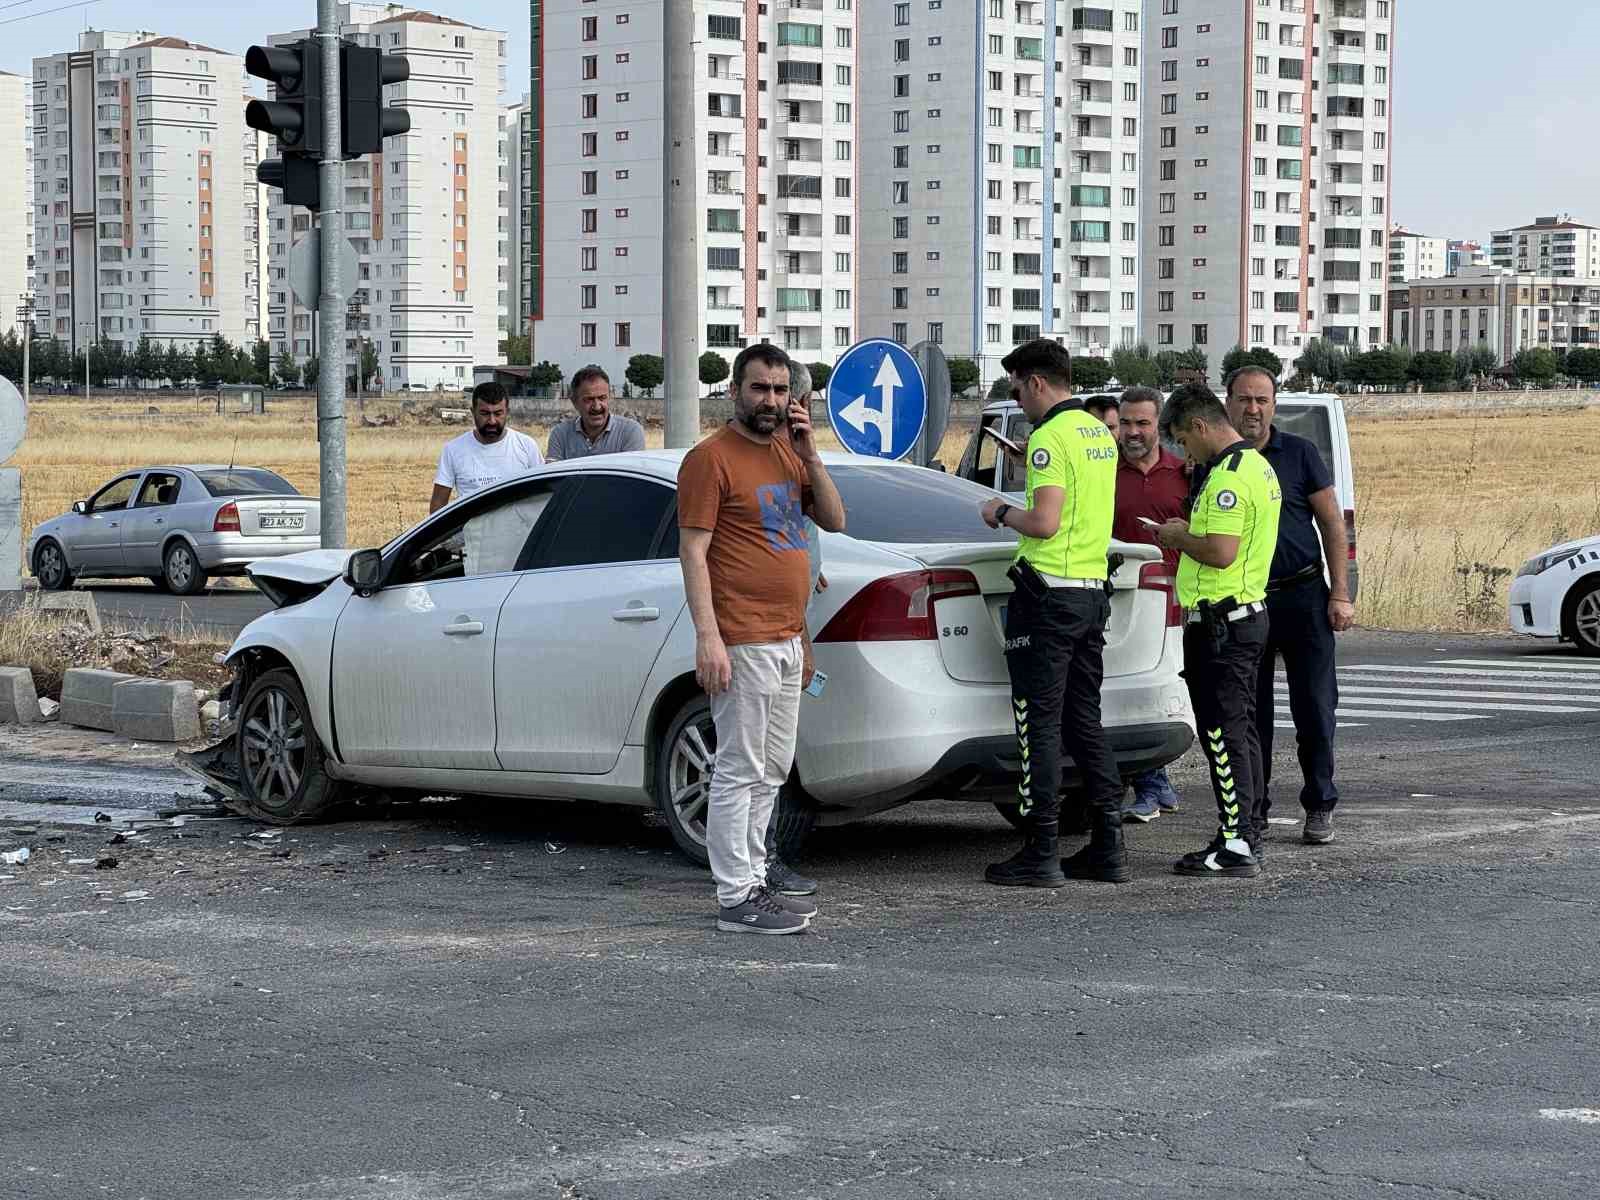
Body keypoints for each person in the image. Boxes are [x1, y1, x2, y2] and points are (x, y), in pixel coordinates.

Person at [678, 344, 847, 935]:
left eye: (780, 390)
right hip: (741, 637)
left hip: (786, 637)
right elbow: (693, 552)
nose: (772, 401)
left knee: (773, 769)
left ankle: (756, 878)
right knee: (739, 769)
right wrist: (709, 639)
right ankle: (735, 897)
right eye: (760, 389)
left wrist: (811, 453)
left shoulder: (788, 451)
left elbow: (833, 520)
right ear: (734, 392)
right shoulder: (710, 459)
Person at [976, 339, 1127, 887]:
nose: (1017, 401)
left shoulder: (1048, 437)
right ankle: (1108, 846)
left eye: (1016, 389)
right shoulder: (1096, 432)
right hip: (1091, 592)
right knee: (1084, 719)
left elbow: (1043, 522)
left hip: (1047, 596)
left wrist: (999, 509)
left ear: (1036, 382)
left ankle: (1041, 849)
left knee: (1037, 723)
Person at [1155, 383, 1281, 878]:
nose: (1186, 450)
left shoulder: (1228, 476)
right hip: (1243, 616)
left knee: (1222, 735)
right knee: (1241, 731)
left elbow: (1221, 551)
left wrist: (1176, 536)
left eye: (1185, 439)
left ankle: (1236, 843)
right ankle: (1244, 832)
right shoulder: (1258, 466)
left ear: (1201, 426)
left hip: (1222, 624)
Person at [1224, 367, 1354, 846]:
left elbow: (1332, 524)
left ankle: (1320, 804)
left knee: (1316, 708)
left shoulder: (1299, 454)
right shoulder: (1218, 462)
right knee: (1251, 714)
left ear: (1274, 404)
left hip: (1303, 599)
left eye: (1261, 399)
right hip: (1245, 601)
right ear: (1228, 403)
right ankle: (1253, 811)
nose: (1252, 409)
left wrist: (1340, 592)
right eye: (1243, 399)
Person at [1112, 386, 1190, 823]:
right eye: (1126, 423)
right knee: (1132, 695)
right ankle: (1152, 787)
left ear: (1159, 423)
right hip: (1123, 604)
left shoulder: (1185, 473)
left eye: (1142, 423)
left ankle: (1155, 786)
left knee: (1168, 695)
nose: (1133, 432)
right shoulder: (1105, 473)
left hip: (1177, 604)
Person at [430, 381, 544, 513]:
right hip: (471, 533)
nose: (492, 421)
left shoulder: (527, 446)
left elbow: (542, 496)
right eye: (484, 413)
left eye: (498, 413)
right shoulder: (453, 450)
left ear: (507, 412)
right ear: (473, 412)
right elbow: (438, 504)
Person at [545, 365, 646, 461]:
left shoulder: (630, 432)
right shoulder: (560, 434)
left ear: (610, 398)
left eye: (602, 398)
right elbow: (553, 477)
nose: (597, 406)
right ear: (574, 402)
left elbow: (630, 477)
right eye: (589, 399)